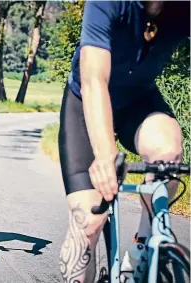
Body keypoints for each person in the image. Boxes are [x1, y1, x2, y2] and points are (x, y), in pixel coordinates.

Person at [58, 1, 190, 282]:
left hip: (138, 100)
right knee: (90, 222)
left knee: (169, 153)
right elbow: (94, 80)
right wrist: (105, 156)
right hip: (86, 100)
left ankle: (142, 248)